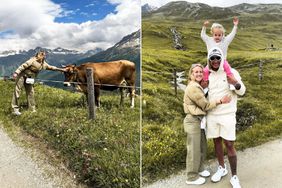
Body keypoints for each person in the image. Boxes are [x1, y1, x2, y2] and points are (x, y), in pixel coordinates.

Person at [183, 63, 231, 185]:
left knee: (201, 147)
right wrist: (221, 100)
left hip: (198, 121)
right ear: (191, 74)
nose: (199, 73)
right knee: (193, 150)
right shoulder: (193, 87)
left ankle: (199, 169)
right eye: (196, 72)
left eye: (200, 71)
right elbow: (206, 105)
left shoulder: (197, 85)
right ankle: (191, 177)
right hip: (193, 120)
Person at [205, 47, 246, 188]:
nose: (215, 61)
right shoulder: (207, 75)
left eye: (217, 58)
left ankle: (234, 177)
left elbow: (242, 91)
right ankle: (222, 168)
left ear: (221, 59)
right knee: (216, 142)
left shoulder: (231, 72)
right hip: (212, 115)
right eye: (212, 58)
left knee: (229, 144)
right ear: (209, 60)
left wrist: (235, 83)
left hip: (227, 114)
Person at [11, 51, 64, 115]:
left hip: (30, 78)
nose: (44, 56)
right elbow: (23, 65)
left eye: (44, 55)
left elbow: (51, 67)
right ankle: (15, 110)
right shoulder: (32, 60)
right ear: (38, 55)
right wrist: (16, 73)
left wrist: (60, 69)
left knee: (31, 92)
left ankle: (32, 109)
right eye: (42, 55)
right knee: (17, 91)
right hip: (22, 75)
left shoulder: (43, 63)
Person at [201, 17, 241, 90]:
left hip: (222, 61)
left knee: (228, 70)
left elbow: (232, 35)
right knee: (205, 71)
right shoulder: (209, 40)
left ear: (222, 34)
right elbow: (202, 35)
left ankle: (234, 83)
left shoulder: (225, 41)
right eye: (215, 35)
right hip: (211, 61)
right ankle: (205, 84)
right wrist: (204, 27)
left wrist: (235, 26)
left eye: (219, 35)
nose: (217, 37)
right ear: (212, 34)